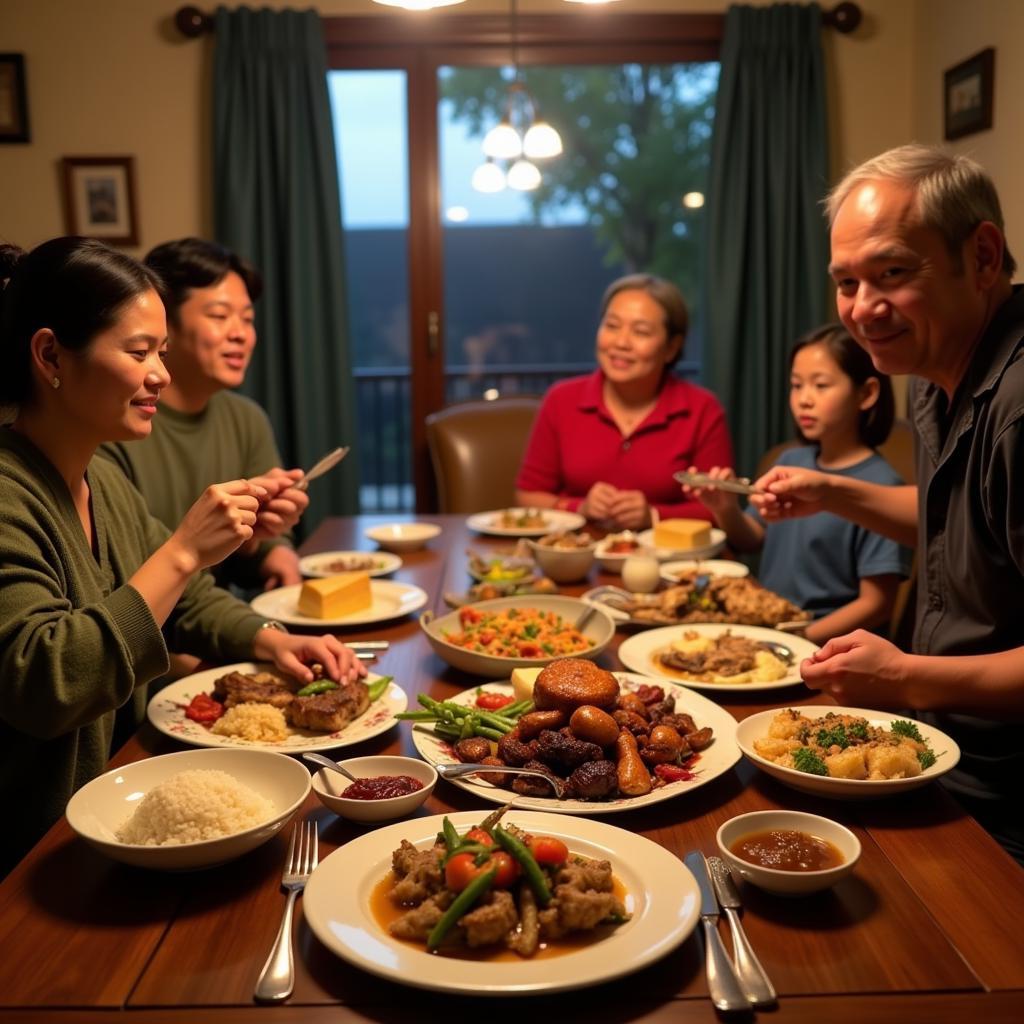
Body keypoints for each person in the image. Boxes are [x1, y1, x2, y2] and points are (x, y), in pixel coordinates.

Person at [0, 237, 365, 875]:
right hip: (36, 850)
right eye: (139, 352)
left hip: (121, 796)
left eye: (162, 353)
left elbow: (188, 596)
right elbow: (47, 682)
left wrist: (270, 639)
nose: (160, 376)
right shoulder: (9, 490)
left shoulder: (97, 479)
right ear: (51, 354)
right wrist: (183, 549)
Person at [751, 145, 1024, 863]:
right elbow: (960, 523)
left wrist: (904, 675)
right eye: (846, 282)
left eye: (893, 273)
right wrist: (831, 491)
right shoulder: (935, 368)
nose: (863, 310)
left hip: (1006, 794)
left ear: (984, 256)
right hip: (939, 750)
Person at [99, 237, 303, 595]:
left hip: (215, 622)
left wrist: (273, 548)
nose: (240, 334)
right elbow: (123, 578)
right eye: (220, 316)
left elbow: (251, 558)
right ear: (165, 323)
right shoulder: (115, 424)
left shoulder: (246, 418)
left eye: (248, 319)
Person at [687, 324, 911, 645]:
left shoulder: (882, 486)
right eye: (796, 385)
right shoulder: (792, 461)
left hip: (826, 644)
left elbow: (877, 605)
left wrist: (799, 638)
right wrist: (724, 509)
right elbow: (752, 537)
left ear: (867, 394)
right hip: (767, 626)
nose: (804, 399)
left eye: (820, 385)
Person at [515, 274, 734, 531]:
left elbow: (719, 509)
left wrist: (652, 515)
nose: (620, 343)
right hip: (577, 557)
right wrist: (580, 508)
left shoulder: (702, 408)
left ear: (671, 348)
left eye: (640, 332)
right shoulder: (561, 399)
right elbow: (528, 496)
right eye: (612, 326)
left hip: (670, 562)